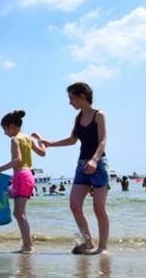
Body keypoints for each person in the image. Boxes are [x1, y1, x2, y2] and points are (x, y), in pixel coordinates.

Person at [36, 82, 109, 255]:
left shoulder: (99, 115)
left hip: (98, 165)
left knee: (99, 209)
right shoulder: (77, 117)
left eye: (71, 98)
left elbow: (103, 141)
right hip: (81, 166)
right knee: (75, 205)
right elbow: (72, 140)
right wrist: (50, 143)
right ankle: (88, 242)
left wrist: (94, 160)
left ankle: (102, 248)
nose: (70, 102)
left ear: (82, 97)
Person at [0, 110, 47, 253]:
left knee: (19, 213)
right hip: (28, 176)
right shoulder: (28, 138)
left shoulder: (15, 139)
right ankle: (26, 244)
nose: (5, 133)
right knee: (20, 213)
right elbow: (43, 153)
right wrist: (40, 138)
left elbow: (17, 160)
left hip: (21, 176)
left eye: (5, 129)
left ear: (11, 126)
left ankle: (28, 246)